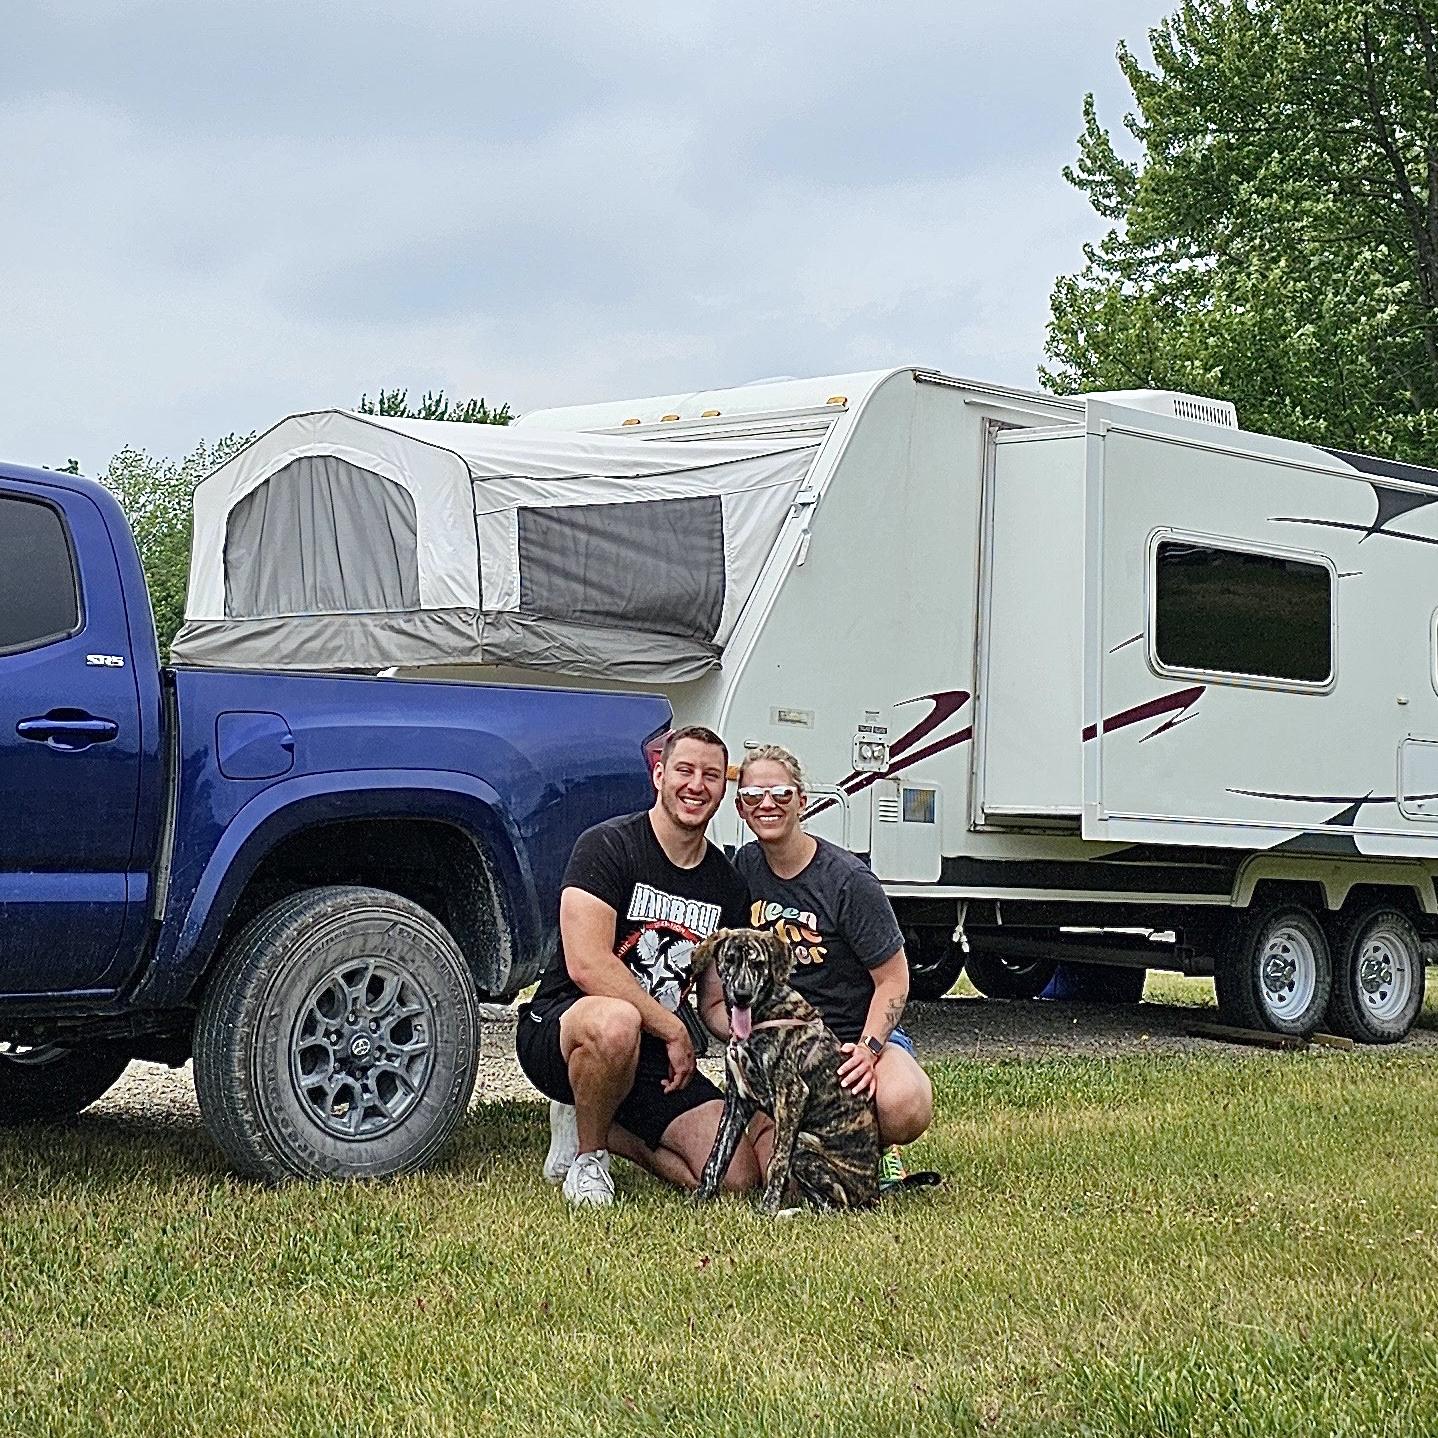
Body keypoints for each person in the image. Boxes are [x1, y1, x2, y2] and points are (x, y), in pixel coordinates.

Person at [517, 725, 760, 1207]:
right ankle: (587, 1160)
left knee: (735, 1178)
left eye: (711, 776)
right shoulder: (607, 846)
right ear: (659, 774)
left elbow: (713, 997)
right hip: (568, 1026)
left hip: (651, 1056)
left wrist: (748, 1030)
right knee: (616, 1020)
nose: (696, 785)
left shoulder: (726, 885)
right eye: (684, 770)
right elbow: (588, 965)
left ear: (722, 790)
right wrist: (673, 1029)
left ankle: (601, 1123)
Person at [732, 744, 933, 1182]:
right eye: (753, 796)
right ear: (740, 808)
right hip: (780, 1045)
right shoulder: (742, 869)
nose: (767, 804)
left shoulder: (847, 881)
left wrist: (869, 1049)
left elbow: (894, 978)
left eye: (781, 793)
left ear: (802, 801)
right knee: (772, 1178)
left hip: (848, 1039)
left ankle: (877, 1145)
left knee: (904, 1102)